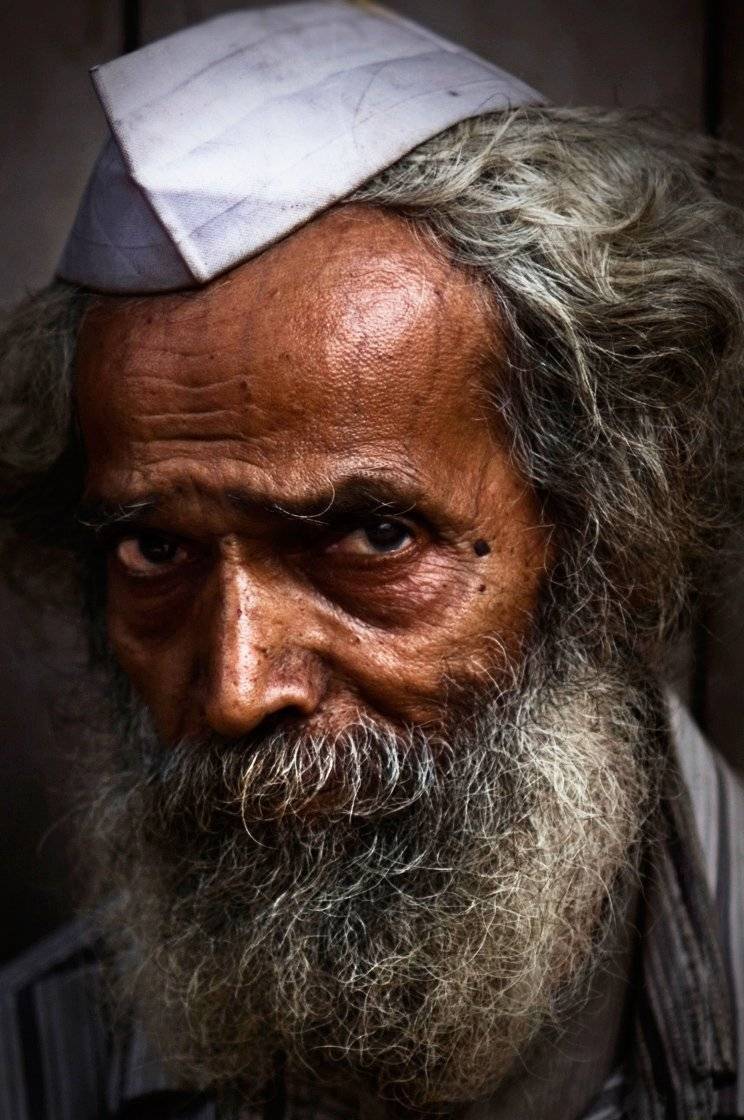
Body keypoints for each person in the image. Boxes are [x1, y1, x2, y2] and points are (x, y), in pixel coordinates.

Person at [1, 4, 743, 1119]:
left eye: (373, 538)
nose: (237, 687)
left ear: (607, 540)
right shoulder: (34, 1059)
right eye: (156, 549)